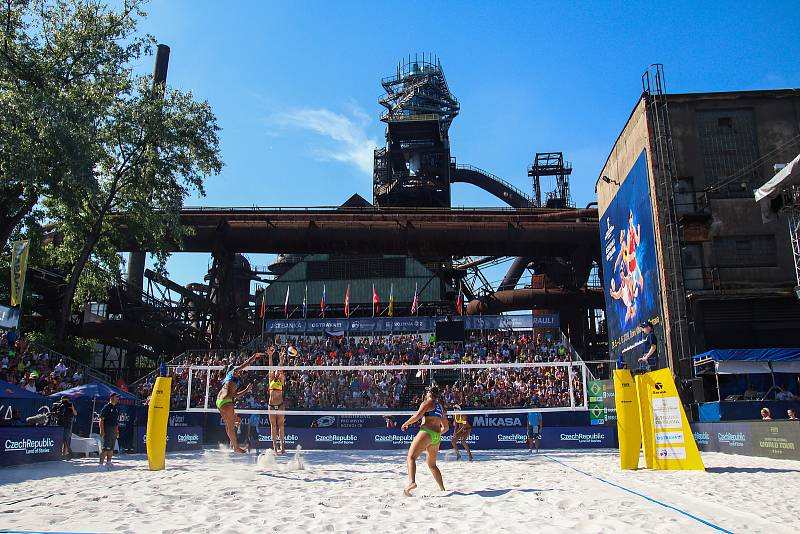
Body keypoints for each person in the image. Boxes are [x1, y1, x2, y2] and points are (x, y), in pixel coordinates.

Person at [401, 385, 448, 496]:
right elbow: (446, 428)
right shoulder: (440, 407)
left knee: (411, 458)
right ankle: (442, 488)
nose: (425, 394)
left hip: (427, 432)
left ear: (429, 393)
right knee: (432, 465)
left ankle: (412, 483)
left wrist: (405, 424)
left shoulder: (427, 403)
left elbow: (417, 416)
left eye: (426, 392)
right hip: (436, 436)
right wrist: (434, 435)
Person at [216, 351, 261, 453]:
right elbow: (244, 365)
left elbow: (235, 395)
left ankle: (233, 444)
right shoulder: (232, 372)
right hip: (226, 401)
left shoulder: (229, 380)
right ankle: (236, 447)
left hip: (219, 401)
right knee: (231, 426)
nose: (238, 371)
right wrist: (253, 357)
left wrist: (246, 390)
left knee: (232, 423)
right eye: (236, 370)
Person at [268, 346, 286, 455]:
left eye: (277, 372)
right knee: (273, 426)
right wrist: (270, 356)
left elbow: (281, 368)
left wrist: (281, 358)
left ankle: (282, 447)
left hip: (280, 405)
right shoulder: (271, 379)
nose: (276, 372)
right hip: (271, 405)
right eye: (275, 372)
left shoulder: (281, 379)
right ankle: (275, 448)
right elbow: (270, 367)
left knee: (281, 426)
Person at [98, 393, 120, 468]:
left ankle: (108, 462)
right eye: (117, 397)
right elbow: (101, 419)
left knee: (111, 448)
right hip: (107, 429)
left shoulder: (115, 408)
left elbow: (116, 422)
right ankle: (100, 464)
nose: (118, 399)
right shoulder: (106, 407)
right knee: (105, 448)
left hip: (113, 429)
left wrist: (117, 431)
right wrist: (102, 430)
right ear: (112, 398)